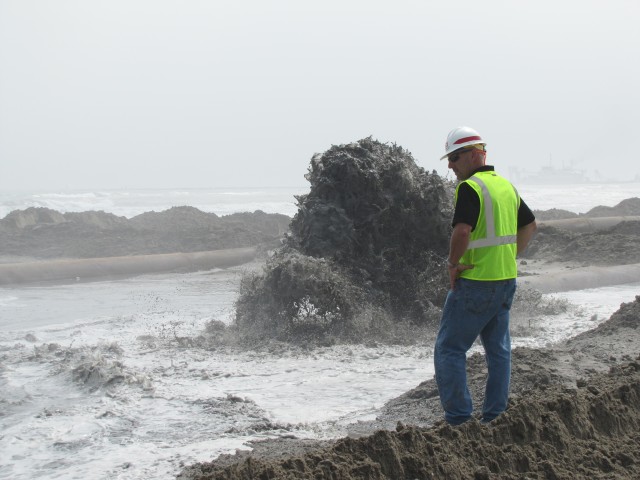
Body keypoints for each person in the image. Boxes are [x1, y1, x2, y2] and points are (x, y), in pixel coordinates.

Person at [433, 126, 537, 425]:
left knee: (449, 349)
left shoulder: (470, 188)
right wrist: (510, 255)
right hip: (505, 280)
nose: (450, 165)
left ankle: (459, 419)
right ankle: (494, 416)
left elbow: (462, 230)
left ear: (475, 154)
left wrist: (453, 264)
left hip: (476, 281)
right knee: (499, 351)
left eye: (454, 157)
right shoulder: (505, 186)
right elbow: (530, 226)